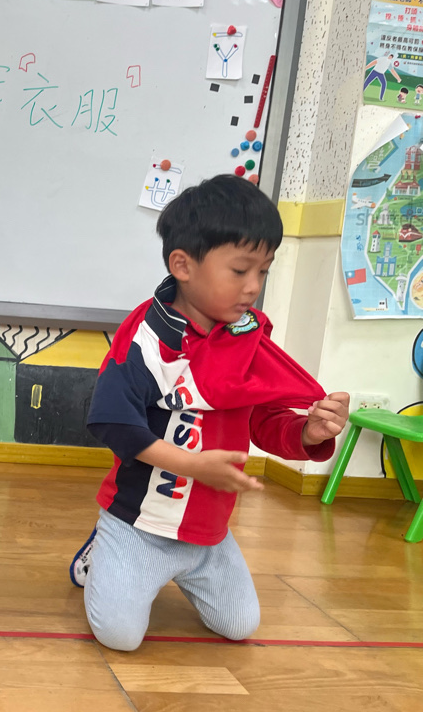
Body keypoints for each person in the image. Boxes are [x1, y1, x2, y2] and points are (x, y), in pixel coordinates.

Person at [69, 175, 350, 651]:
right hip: (139, 524)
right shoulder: (148, 337)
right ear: (182, 264)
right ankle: (103, 548)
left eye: (263, 272)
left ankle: (188, 568)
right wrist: (190, 465)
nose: (253, 287)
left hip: (209, 535)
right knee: (120, 637)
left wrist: (308, 432)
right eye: (239, 270)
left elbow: (263, 421)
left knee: (241, 626)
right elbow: (112, 420)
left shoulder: (247, 334)